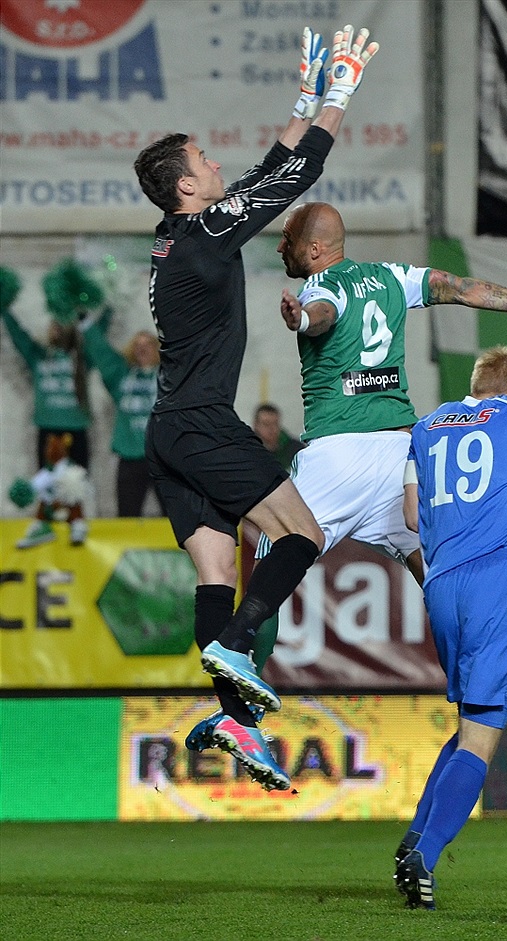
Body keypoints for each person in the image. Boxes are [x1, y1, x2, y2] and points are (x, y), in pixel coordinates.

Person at [133, 25, 379, 792]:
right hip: (204, 424)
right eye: (203, 161)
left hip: (166, 431)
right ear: (185, 187)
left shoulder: (175, 239)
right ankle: (241, 645)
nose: (215, 165)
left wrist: (302, 100)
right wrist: (339, 96)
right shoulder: (206, 232)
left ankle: (236, 718)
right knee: (301, 534)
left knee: (214, 570)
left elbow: (263, 173)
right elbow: (295, 174)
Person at [240, 201, 507, 677]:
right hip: (400, 452)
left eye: (286, 239)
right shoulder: (392, 278)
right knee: (431, 564)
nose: (279, 246)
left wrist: (301, 320)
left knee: (271, 564)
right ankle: (479, 664)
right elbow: (463, 288)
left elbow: (322, 313)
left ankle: (241, 694)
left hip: (338, 454)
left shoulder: (322, 286)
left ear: (315, 248)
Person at [395, 346, 507, 910]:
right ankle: (426, 855)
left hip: (441, 584)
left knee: (467, 723)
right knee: (483, 732)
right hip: (500, 575)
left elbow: (412, 517)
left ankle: (414, 836)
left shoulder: (426, 426)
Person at [81, 324, 164, 516]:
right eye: (137, 344)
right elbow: (102, 353)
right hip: (130, 456)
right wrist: (86, 322)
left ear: (158, 348)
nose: (142, 348)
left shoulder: (170, 377)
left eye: (148, 344)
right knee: (127, 514)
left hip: (164, 457)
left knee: (177, 517)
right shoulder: (121, 376)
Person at [1, 311, 91, 471]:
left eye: (62, 325)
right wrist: (4, 309)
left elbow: (99, 340)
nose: (56, 329)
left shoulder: (82, 357)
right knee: (47, 490)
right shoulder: (38, 356)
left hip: (77, 430)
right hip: (47, 431)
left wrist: (87, 316)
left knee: (79, 489)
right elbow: (19, 336)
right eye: (54, 325)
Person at [253, 402, 305, 472]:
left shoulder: (295, 450)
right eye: (266, 424)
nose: (271, 428)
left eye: (275, 423)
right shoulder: (248, 451)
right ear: (256, 425)